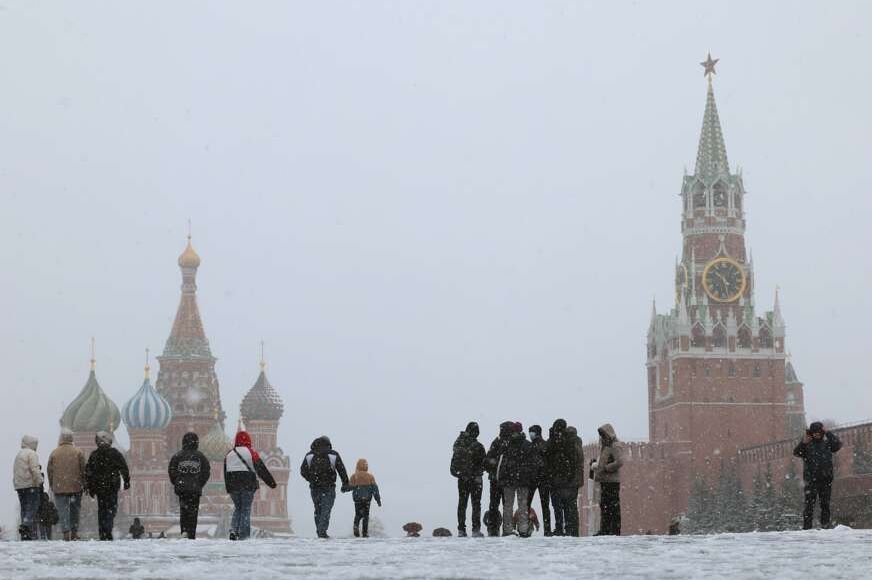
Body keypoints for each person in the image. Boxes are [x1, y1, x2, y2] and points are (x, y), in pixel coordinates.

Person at [224, 430, 277, 540]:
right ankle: (244, 535)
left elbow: (225, 472)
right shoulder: (251, 452)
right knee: (246, 509)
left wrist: (228, 488)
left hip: (233, 486)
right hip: (247, 485)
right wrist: (271, 483)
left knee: (238, 508)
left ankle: (233, 530)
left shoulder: (229, 454)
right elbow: (261, 469)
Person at [793, 421, 843, 529]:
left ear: (822, 432)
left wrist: (828, 432)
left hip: (825, 480)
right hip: (811, 481)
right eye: (814, 432)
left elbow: (838, 445)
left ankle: (825, 526)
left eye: (819, 432)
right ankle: (807, 528)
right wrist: (803, 442)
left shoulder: (827, 444)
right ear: (811, 433)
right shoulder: (807, 445)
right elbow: (796, 452)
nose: (816, 434)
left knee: (825, 505)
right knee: (809, 506)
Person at [497, 422, 541, 537]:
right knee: (523, 506)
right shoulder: (527, 445)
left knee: (508, 505)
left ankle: (507, 529)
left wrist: (501, 478)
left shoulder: (506, 444)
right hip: (523, 480)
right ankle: (523, 529)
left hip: (508, 480)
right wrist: (531, 478)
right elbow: (534, 464)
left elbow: (502, 463)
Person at [300, 436, 350, 539]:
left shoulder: (309, 455)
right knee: (326, 509)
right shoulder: (333, 454)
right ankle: (322, 531)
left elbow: (303, 471)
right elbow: (341, 470)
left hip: (315, 487)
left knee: (318, 509)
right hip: (329, 487)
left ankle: (320, 530)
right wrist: (345, 484)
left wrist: (311, 479)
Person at [85, 431, 131, 541]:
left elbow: (89, 473)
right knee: (111, 509)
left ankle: (103, 532)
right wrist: (126, 481)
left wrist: (90, 487)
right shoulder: (114, 453)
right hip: (112, 486)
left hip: (100, 487)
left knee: (102, 510)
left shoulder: (94, 455)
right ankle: (108, 530)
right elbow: (123, 468)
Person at [168, 432, 211, 540]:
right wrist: (199, 483)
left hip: (182, 489)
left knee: (184, 511)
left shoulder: (178, 456)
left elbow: (171, 471)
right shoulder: (200, 457)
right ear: (196, 442)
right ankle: (191, 533)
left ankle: (184, 531)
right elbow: (206, 472)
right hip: (194, 489)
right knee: (193, 512)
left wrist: (177, 482)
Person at [545, 419, 583, 536]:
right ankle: (570, 529)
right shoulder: (570, 442)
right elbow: (575, 460)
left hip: (558, 479)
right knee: (568, 506)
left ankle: (561, 528)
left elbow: (547, 456)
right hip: (567, 480)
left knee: (559, 506)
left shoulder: (557, 441)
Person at [47, 428, 87, 541]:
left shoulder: (55, 452)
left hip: (59, 487)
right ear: (71, 439)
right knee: (75, 509)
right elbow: (83, 469)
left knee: (62, 510)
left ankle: (65, 533)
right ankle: (74, 532)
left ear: (61, 438)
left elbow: (49, 470)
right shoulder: (78, 452)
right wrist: (84, 483)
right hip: (75, 486)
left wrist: (52, 484)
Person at [450, 421, 486, 537]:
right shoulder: (478, 446)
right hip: (475, 479)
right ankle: (475, 530)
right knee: (476, 504)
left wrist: (462, 473)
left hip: (462, 478)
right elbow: (484, 463)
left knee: (462, 503)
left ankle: (461, 530)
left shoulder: (458, 443)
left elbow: (454, 462)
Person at [590, 423, 624, 536]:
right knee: (604, 506)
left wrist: (606, 468)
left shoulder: (615, 445)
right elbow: (604, 460)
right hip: (604, 480)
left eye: (603, 434)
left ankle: (614, 530)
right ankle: (605, 529)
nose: (602, 437)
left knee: (613, 507)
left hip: (612, 481)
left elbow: (619, 461)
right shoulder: (605, 446)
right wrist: (596, 465)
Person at [484, 421, 515, 536]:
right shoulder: (511, 443)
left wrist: (493, 467)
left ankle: (493, 528)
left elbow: (487, 460)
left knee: (494, 504)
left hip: (496, 479)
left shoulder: (496, 442)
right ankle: (506, 529)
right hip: (507, 480)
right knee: (506, 505)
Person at [14, 435, 44, 541]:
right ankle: (26, 526)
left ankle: (25, 532)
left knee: (24, 508)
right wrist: (40, 480)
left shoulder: (19, 454)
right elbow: (34, 469)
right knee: (33, 506)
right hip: (30, 484)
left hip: (19, 486)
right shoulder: (32, 454)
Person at [527, 425, 551, 536]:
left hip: (534, 479)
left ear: (537, 433)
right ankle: (547, 530)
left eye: (532, 432)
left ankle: (526, 528)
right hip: (542, 478)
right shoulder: (545, 444)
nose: (530, 434)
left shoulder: (532, 446)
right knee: (545, 505)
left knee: (528, 504)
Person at [349, 458, 382, 538]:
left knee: (357, 514)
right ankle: (365, 533)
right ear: (366, 466)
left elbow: (349, 487)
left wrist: (345, 489)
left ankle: (356, 528)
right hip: (367, 499)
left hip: (357, 499)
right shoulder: (370, 476)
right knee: (366, 516)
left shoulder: (354, 476)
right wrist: (378, 500)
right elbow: (375, 489)